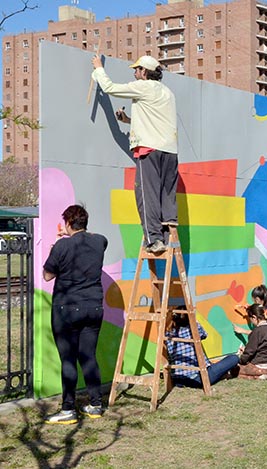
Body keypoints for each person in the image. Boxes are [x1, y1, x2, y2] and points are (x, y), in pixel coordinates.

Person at [91, 54, 178, 254]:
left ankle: (154, 239)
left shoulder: (144, 87)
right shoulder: (168, 93)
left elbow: (111, 88)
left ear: (145, 72)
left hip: (149, 149)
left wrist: (98, 68)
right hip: (170, 151)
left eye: (137, 69)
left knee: (146, 195)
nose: (134, 73)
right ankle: (167, 232)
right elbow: (155, 119)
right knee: (166, 194)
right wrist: (128, 120)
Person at [43, 205, 108, 424]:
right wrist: (71, 238)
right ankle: (95, 404)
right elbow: (90, 241)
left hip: (67, 309)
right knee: (88, 356)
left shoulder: (62, 246)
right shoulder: (100, 241)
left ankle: (68, 409)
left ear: (68, 223)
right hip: (94, 308)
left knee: (68, 359)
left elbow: (47, 275)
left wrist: (58, 244)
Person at [166, 313, 239, 388]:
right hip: (198, 379)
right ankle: (222, 373)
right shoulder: (193, 328)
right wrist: (195, 321)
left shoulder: (168, 334)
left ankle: (219, 372)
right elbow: (204, 335)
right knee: (234, 358)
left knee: (213, 365)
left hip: (178, 379)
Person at [234, 304, 267, 379]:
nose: (251, 322)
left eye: (250, 319)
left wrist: (240, 360)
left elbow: (249, 352)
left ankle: (263, 376)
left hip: (262, 366)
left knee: (236, 371)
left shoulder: (257, 331)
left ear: (254, 317)